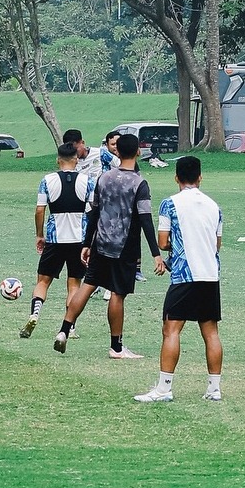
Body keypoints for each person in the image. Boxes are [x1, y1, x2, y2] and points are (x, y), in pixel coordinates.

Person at [53, 133, 166, 358]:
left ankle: (64, 330)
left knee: (88, 285)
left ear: (117, 151)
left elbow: (94, 212)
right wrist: (156, 254)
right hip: (125, 247)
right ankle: (116, 347)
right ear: (138, 152)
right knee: (117, 293)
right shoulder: (139, 183)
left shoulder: (104, 178)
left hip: (100, 242)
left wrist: (87, 243)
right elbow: (145, 219)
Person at [133, 156, 225, 403]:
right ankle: (214, 388)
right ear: (200, 177)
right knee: (211, 332)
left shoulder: (169, 204)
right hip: (209, 274)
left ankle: (164, 388)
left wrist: (173, 252)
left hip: (185, 275)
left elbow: (163, 241)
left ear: (176, 178)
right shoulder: (214, 206)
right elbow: (217, 244)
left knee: (171, 329)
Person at [21, 143, 94, 339]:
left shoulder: (47, 180)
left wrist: (39, 235)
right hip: (79, 240)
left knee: (43, 281)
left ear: (58, 160)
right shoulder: (87, 181)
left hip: (55, 238)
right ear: (76, 160)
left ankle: (35, 314)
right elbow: (94, 209)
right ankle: (70, 327)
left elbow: (39, 209)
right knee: (74, 284)